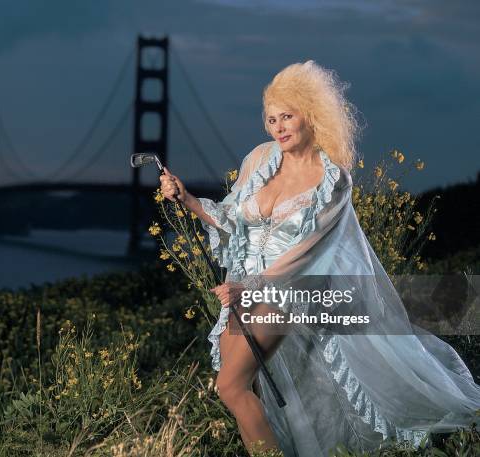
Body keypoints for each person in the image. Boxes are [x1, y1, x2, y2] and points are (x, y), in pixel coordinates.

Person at [159, 60, 480, 456]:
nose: (278, 127)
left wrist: (253, 287)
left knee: (231, 386)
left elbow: (308, 250)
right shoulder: (260, 159)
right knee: (247, 387)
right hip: (241, 285)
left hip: (285, 292)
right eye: (271, 118)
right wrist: (187, 198)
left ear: (311, 115)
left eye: (287, 116)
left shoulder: (333, 180)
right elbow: (232, 219)